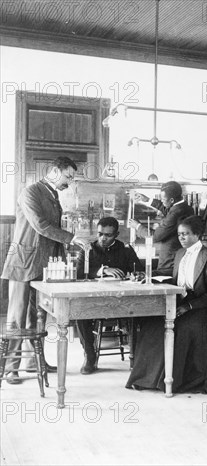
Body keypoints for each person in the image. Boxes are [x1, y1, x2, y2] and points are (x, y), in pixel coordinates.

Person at [1, 156, 90, 384]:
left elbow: (52, 230)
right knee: (16, 318)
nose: (69, 182)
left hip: (43, 264)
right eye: (68, 176)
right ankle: (11, 368)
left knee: (37, 315)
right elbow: (40, 226)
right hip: (23, 262)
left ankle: (32, 361)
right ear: (54, 171)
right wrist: (72, 238)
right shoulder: (30, 192)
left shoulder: (53, 195)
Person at [126, 216, 207, 393]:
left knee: (183, 326)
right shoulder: (180, 254)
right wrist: (146, 275)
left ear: (197, 235)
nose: (181, 238)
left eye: (185, 234)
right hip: (182, 301)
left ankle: (173, 380)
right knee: (152, 324)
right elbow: (171, 274)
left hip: (205, 306)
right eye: (179, 234)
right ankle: (149, 378)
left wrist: (189, 307)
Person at [75, 217, 142, 375]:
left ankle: (135, 359)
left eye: (108, 235)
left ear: (117, 234)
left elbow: (138, 269)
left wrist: (136, 274)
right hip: (94, 300)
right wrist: (102, 270)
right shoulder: (87, 249)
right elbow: (79, 273)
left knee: (139, 312)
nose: (102, 238)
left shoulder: (125, 248)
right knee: (80, 314)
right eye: (100, 234)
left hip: (121, 299)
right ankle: (90, 357)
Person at [128, 180, 194, 275]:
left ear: (171, 200)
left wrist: (138, 226)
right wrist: (147, 200)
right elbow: (166, 209)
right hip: (176, 258)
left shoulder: (176, 213)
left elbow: (155, 236)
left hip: (170, 261)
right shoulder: (184, 207)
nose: (162, 201)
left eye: (163, 199)